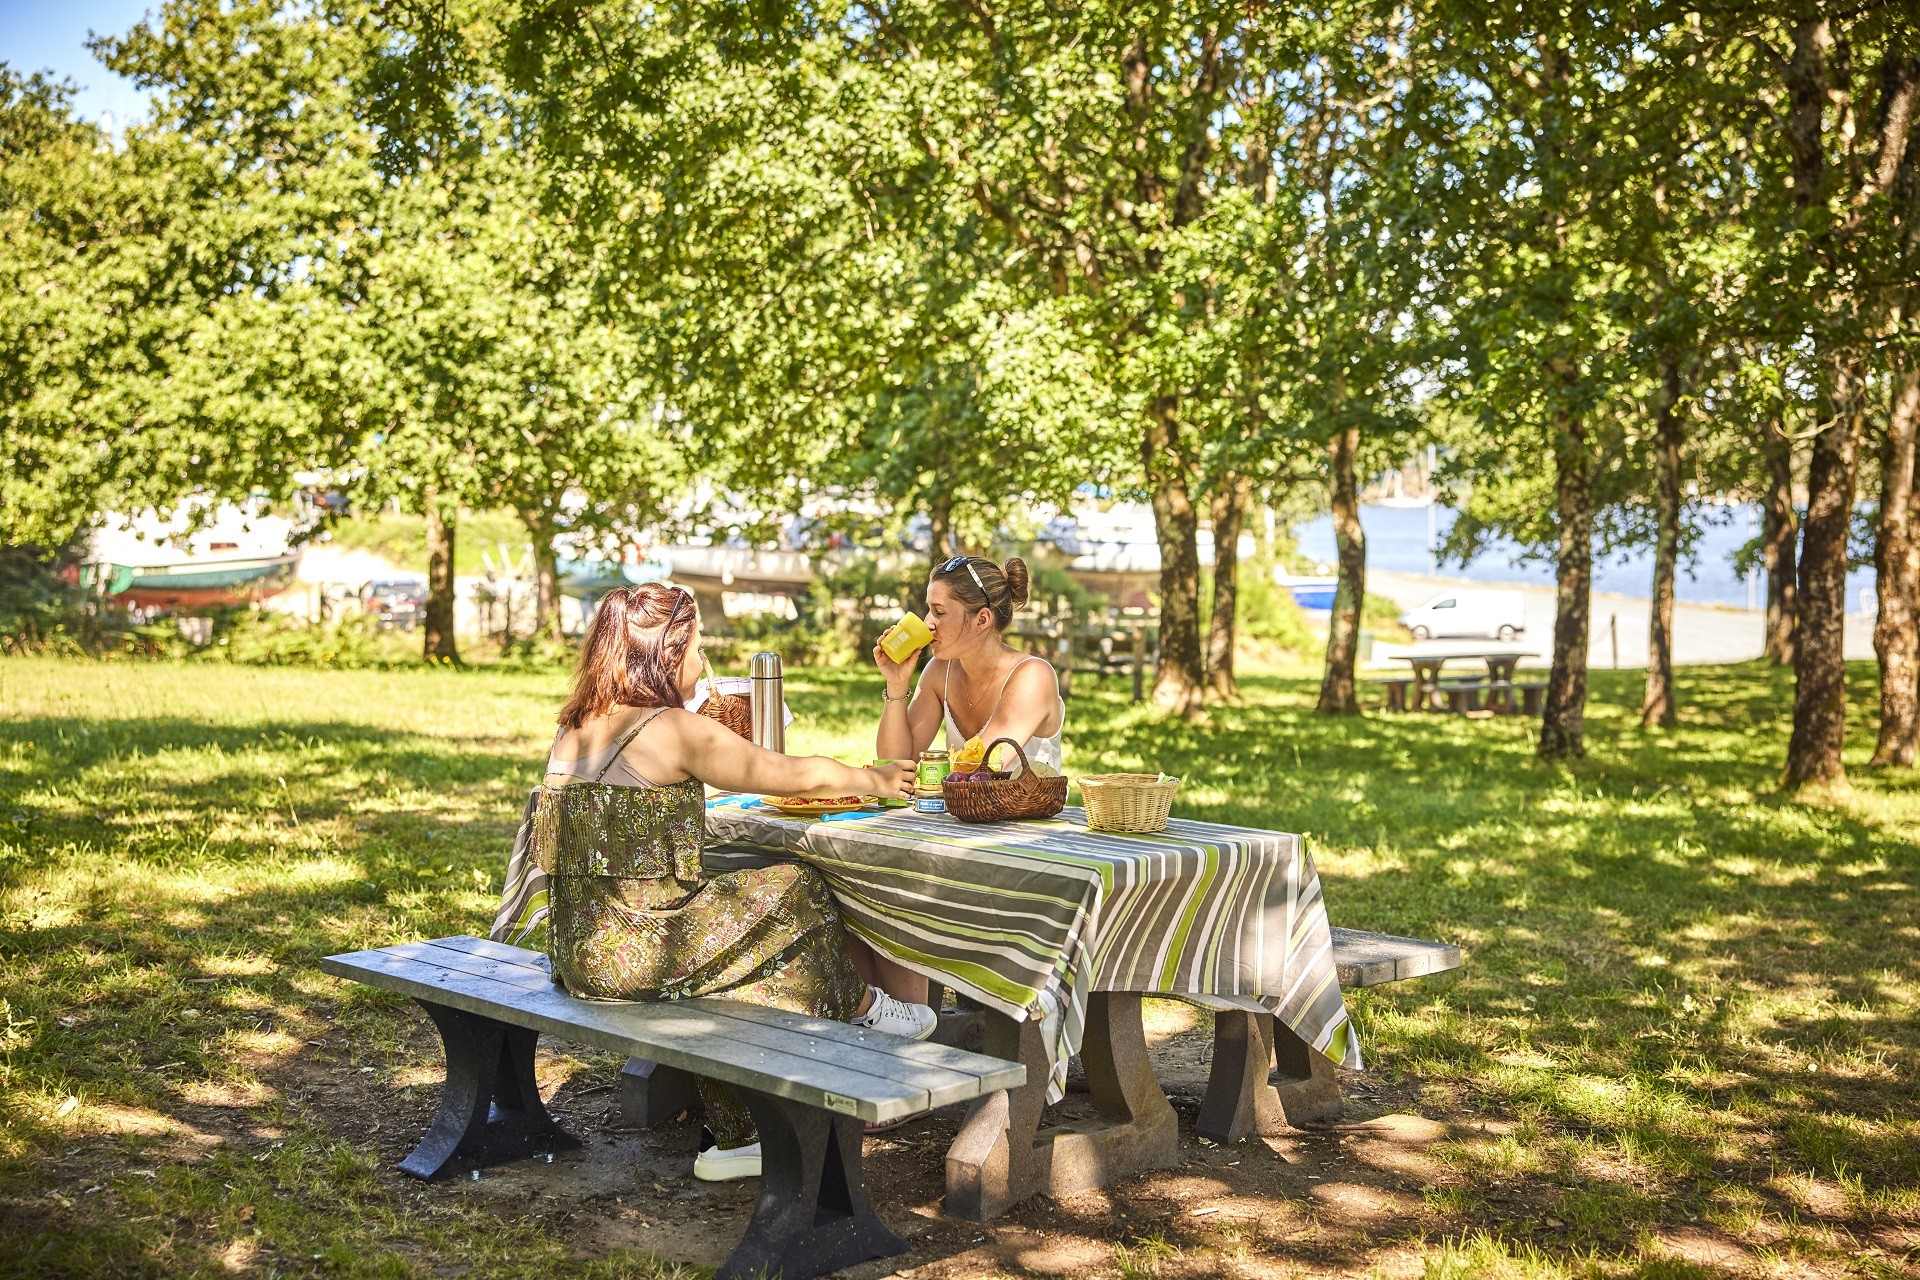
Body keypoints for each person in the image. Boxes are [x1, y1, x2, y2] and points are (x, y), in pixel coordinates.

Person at [538, 582, 936, 1183]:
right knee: (796, 885)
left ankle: (740, 1135)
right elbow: (785, 774)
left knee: (755, 963)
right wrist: (871, 778)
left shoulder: (578, 726)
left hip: (578, 952)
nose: (703, 662)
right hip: (642, 950)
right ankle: (867, 1008)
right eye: (697, 647)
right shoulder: (669, 727)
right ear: (666, 653)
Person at [865, 554, 1065, 1003]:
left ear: (982, 619)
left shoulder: (1032, 675)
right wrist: (897, 685)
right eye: (927, 610)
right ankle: (901, 1012)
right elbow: (894, 763)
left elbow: (984, 763)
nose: (926, 623)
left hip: (1031, 851)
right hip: (966, 837)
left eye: (939, 612)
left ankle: (922, 1012)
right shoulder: (939, 672)